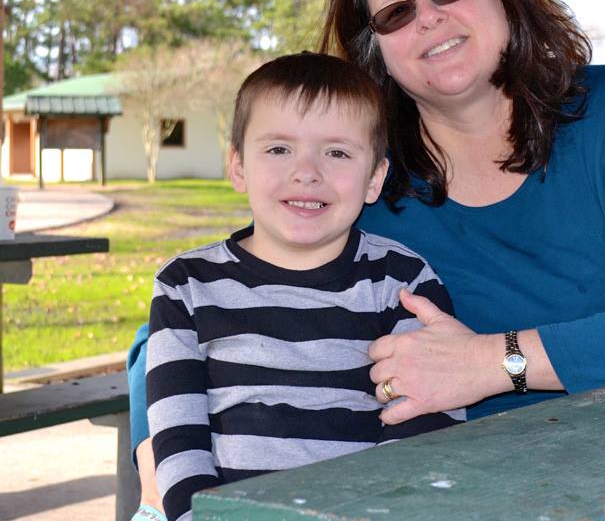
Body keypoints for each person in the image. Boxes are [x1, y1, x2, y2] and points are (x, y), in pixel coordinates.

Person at [127, 0, 605, 504]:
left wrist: (493, 361)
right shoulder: (364, 177)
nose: (427, 17)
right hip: (449, 486)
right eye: (396, 13)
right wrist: (152, 446)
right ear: (376, 49)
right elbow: (217, 303)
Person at [141, 53, 463, 521]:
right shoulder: (185, 285)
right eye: (278, 149)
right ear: (238, 166)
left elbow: (428, 418)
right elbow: (176, 435)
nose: (307, 171)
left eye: (337, 153)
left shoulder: (400, 282)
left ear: (374, 178)